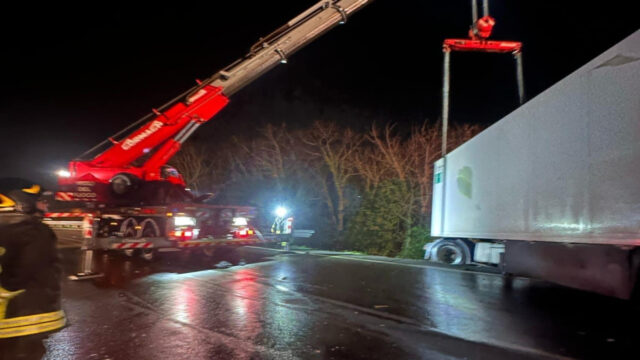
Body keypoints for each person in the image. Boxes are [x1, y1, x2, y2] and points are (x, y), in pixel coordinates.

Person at [0, 178, 65, 360]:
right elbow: (24, 272)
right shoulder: (34, 231)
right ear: (22, 201)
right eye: (41, 201)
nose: (45, 207)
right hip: (22, 315)